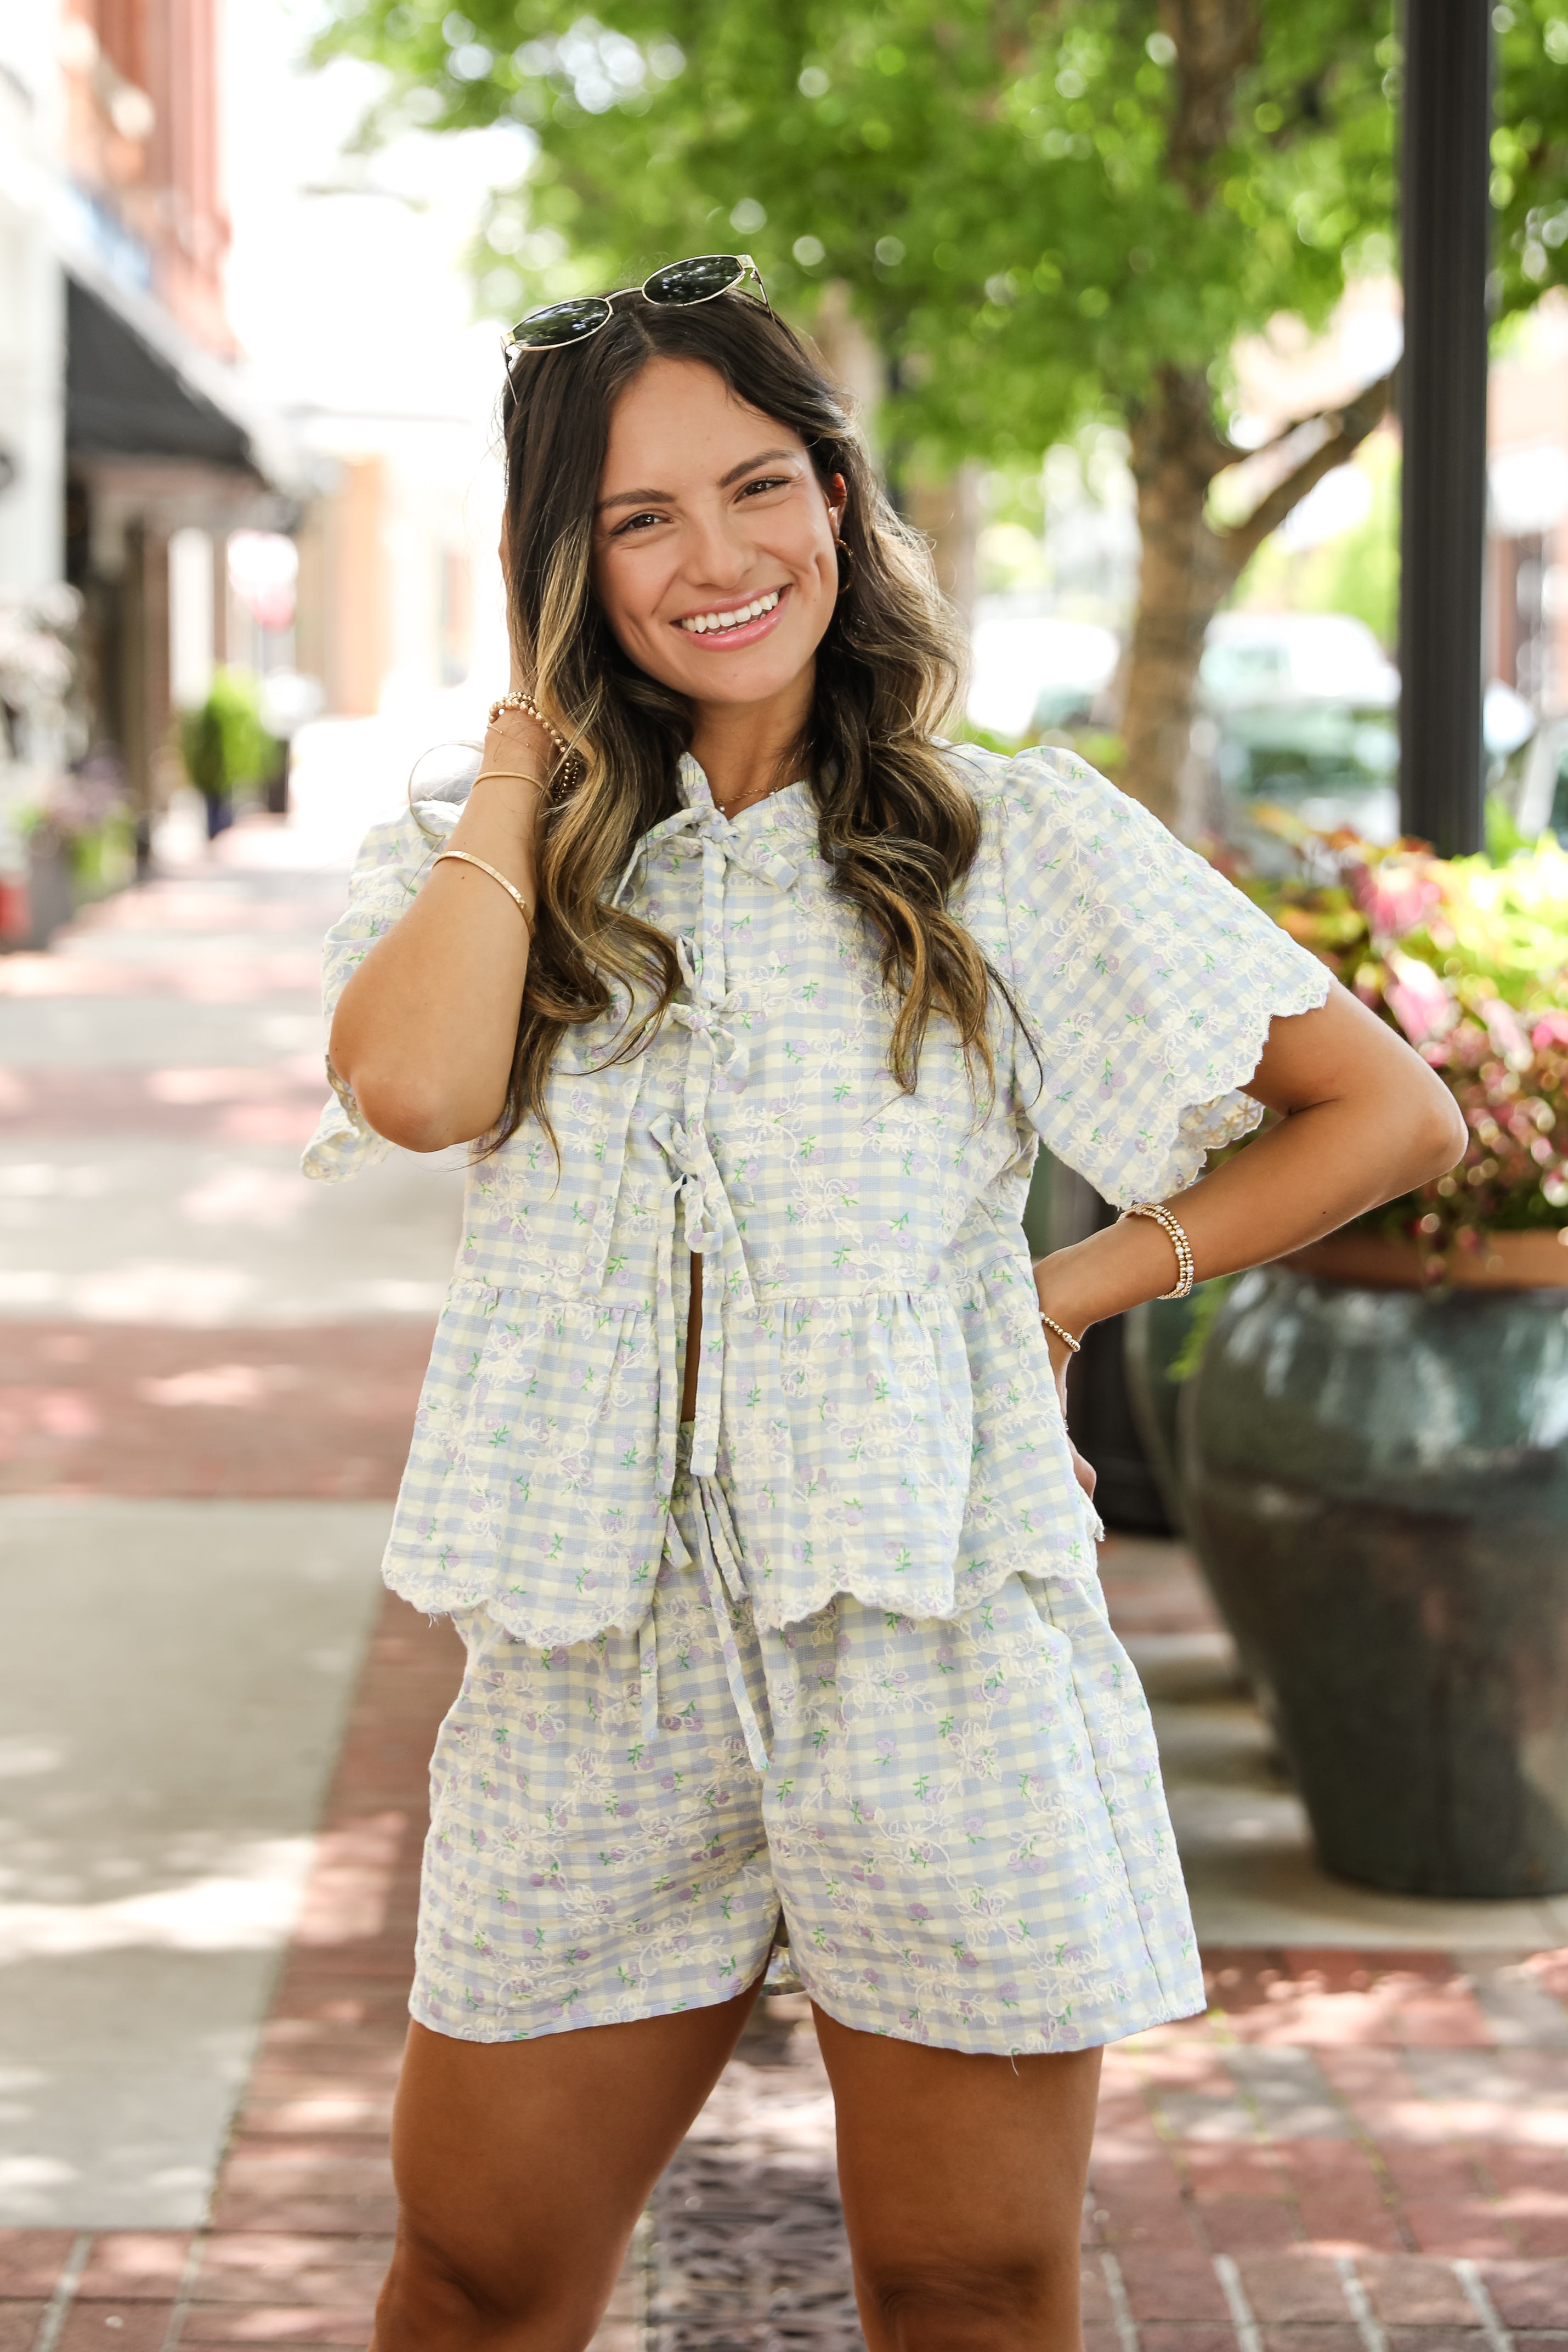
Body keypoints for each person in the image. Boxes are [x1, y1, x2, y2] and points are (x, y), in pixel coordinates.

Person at [306, 257, 1463, 2352]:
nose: (717, 557)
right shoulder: (491, 861)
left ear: (836, 498)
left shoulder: (1007, 837)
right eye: (637, 519)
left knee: (966, 2289)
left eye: (758, 486)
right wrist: (525, 753)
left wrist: (1066, 1293)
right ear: (563, 565)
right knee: (474, 2281)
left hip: (937, 1646)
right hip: (594, 1665)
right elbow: (415, 1088)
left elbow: (1385, 1114)